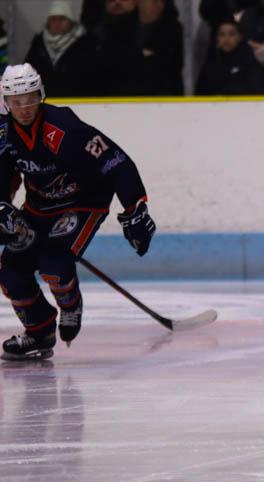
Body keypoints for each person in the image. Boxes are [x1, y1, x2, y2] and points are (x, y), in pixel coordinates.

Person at [0, 64, 156, 361]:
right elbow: (3, 177)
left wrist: (135, 207)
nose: (24, 108)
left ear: (41, 94)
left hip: (82, 203)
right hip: (38, 206)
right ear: (6, 102)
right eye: (16, 101)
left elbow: (115, 161)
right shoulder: (3, 134)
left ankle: (70, 305)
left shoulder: (64, 128)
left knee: (54, 260)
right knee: (10, 272)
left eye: (30, 98)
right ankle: (39, 331)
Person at [25, 1, 97, 97]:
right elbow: (29, 72)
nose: (57, 23)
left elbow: (91, 76)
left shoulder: (84, 44)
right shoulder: (38, 45)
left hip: (77, 100)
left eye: (62, 19)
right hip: (44, 100)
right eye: (53, 19)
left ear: (70, 21)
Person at [196, 17, 264, 94]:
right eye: (222, 34)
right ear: (217, 38)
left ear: (240, 37)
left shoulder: (250, 63)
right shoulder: (210, 65)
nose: (226, 39)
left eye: (232, 34)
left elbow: (257, 92)